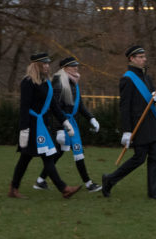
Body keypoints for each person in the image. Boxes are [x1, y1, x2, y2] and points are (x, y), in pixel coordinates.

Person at [9, 52, 82, 199]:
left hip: (42, 126)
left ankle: (13, 189)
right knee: (47, 156)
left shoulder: (46, 83)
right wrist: (24, 130)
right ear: (36, 65)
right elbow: (24, 107)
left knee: (26, 158)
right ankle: (64, 189)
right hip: (32, 126)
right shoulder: (28, 82)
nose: (47, 66)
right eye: (44, 63)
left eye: (48, 63)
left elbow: (54, 106)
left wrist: (65, 122)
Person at [101, 45, 156, 200]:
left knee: (155, 158)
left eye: (144, 57)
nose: (144, 59)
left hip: (151, 124)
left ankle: (154, 192)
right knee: (139, 158)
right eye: (140, 57)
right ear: (132, 59)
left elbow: (153, 98)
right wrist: (127, 130)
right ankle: (110, 179)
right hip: (139, 126)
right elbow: (124, 107)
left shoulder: (147, 78)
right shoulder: (127, 79)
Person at [33, 56, 102, 192]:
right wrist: (59, 129)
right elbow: (55, 108)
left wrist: (91, 118)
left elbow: (79, 105)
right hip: (63, 124)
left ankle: (40, 181)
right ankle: (88, 184)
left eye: (76, 65)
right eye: (72, 66)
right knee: (77, 152)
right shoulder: (59, 83)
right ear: (64, 69)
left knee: (58, 153)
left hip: (70, 123)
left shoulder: (73, 82)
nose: (76, 68)